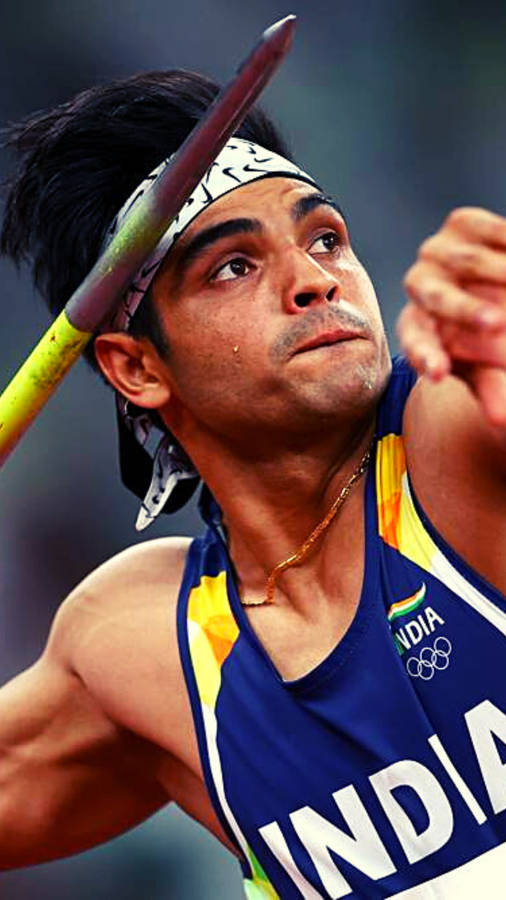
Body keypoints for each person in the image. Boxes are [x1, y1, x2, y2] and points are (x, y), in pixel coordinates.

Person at [1, 68, 506, 899]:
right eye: (233, 267)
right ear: (137, 368)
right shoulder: (144, 651)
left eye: (325, 239)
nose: (316, 280)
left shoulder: (459, 433)